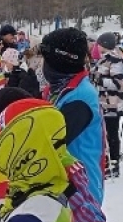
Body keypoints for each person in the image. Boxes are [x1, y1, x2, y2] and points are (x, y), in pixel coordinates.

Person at [40, 28, 105, 210]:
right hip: (63, 189)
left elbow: (47, 144)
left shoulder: (80, 98)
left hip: (79, 196)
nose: (43, 65)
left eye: (46, 60)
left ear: (58, 63)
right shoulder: (60, 90)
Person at [93, 32, 123, 177]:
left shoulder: (115, 60)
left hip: (112, 103)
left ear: (105, 45)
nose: (97, 46)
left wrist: (99, 80)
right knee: (106, 134)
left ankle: (114, 163)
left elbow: (118, 83)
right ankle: (108, 161)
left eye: (99, 44)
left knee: (111, 134)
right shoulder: (104, 59)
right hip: (104, 102)